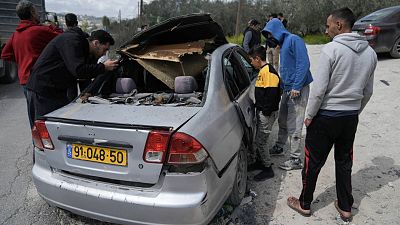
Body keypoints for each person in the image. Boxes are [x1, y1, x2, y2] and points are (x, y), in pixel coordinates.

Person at [286, 7, 377, 221]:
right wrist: (355, 111)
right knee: (345, 161)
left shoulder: (331, 50)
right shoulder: (370, 53)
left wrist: (309, 115)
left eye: (328, 26)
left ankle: (305, 204)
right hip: (350, 117)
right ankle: (346, 206)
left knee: (313, 162)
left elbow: (319, 90)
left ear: (339, 25)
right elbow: (368, 91)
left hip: (326, 116)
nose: (326, 31)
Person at [26, 29, 119, 123]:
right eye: (105, 50)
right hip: (42, 91)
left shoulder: (85, 49)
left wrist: (89, 91)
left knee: (58, 125)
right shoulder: (72, 42)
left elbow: (86, 72)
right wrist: (104, 67)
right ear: (96, 43)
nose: (104, 53)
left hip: (57, 90)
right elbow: (78, 70)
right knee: (44, 130)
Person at [0, 0, 62, 128]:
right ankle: (43, 147)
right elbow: (63, 38)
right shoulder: (38, 31)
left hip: (25, 83)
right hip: (40, 82)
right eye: (37, 12)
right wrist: (52, 26)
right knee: (45, 120)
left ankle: (36, 145)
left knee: (33, 118)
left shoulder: (16, 34)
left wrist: (22, 60)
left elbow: (5, 54)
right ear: (32, 13)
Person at [263, 18, 313, 171]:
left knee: (295, 123)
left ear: (278, 30)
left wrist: (297, 85)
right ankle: (279, 147)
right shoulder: (283, 45)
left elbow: (303, 63)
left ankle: (295, 158)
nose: (269, 39)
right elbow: (285, 69)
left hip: (298, 89)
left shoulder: (294, 40)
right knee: (283, 120)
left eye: (270, 35)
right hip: (288, 89)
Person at [247, 46, 281, 181]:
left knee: (261, 141)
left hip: (267, 113)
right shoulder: (263, 71)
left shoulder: (270, 73)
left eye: (251, 60)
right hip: (262, 111)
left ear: (257, 58)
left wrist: (265, 112)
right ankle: (260, 162)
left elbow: (273, 96)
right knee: (259, 139)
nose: (250, 63)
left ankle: (267, 168)